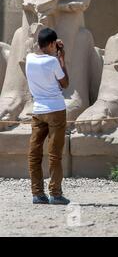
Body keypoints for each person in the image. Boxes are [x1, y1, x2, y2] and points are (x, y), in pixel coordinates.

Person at [25, 28, 70, 205]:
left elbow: (32, 51)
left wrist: (51, 47)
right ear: (52, 44)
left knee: (34, 154)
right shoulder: (53, 62)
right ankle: (55, 194)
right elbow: (65, 83)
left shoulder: (29, 59)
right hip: (56, 110)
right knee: (54, 155)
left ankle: (37, 193)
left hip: (38, 111)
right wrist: (61, 56)